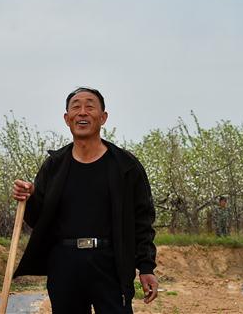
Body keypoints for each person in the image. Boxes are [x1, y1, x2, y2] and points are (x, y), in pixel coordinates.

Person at [11, 87, 159, 313]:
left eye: (90, 106)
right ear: (66, 118)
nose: (82, 112)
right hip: (65, 264)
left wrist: (146, 266)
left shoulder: (125, 166)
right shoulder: (54, 166)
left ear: (103, 117)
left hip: (110, 264)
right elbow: (38, 219)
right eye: (76, 107)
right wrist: (28, 198)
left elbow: (143, 219)